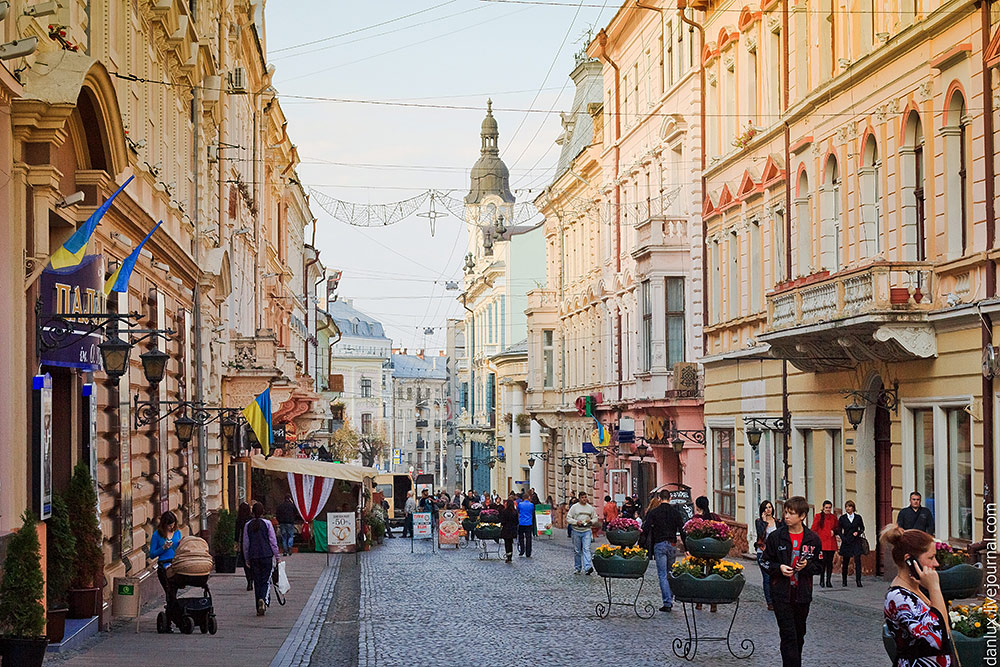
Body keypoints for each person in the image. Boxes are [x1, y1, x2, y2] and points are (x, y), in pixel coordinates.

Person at [762, 496, 824, 667]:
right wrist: (779, 568)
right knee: (788, 634)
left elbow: (820, 566)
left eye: (791, 513)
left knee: (799, 634)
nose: (786, 516)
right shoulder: (776, 537)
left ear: (802, 516)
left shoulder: (812, 539)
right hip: (781, 594)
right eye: (786, 512)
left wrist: (807, 566)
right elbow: (765, 562)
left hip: (802, 594)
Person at [880, 525, 952, 666]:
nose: (936, 563)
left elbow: (946, 629)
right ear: (909, 560)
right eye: (931, 557)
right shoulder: (899, 597)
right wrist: (934, 587)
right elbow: (938, 638)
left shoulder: (918, 589)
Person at [641, 490, 684, 612]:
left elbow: (646, 529)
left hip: (659, 544)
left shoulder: (654, 512)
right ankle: (670, 597)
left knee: (662, 575)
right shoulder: (675, 513)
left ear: (659, 498)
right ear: (670, 498)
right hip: (672, 544)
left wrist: (641, 545)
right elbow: (682, 529)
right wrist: (686, 547)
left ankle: (667, 602)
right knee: (670, 572)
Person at [242, 502, 280, 616]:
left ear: (252, 512)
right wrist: (277, 556)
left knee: (257, 581)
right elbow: (273, 541)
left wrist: (247, 558)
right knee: (265, 580)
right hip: (266, 555)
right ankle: (263, 598)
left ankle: (258, 602)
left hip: (254, 556)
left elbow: (246, 543)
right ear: (263, 512)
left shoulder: (248, 525)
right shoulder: (267, 524)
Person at [149, 511, 182, 605]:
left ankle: (173, 607)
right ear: (164, 524)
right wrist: (163, 548)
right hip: (164, 564)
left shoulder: (177, 532)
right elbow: (152, 554)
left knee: (174, 589)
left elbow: (178, 548)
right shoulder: (157, 535)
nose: (171, 527)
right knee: (168, 589)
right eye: (169, 526)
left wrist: (180, 544)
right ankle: (172, 608)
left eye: (173, 525)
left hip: (175, 563)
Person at [755, 500, 781, 610]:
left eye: (770, 507)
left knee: (776, 577)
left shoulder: (778, 522)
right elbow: (761, 535)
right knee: (767, 577)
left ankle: (776, 599)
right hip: (763, 553)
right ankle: (770, 602)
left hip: (775, 554)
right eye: (765, 508)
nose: (768, 509)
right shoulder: (759, 522)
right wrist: (764, 522)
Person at [567, 492, 598, 574]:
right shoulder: (574, 507)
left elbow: (595, 518)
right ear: (579, 498)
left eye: (585, 497)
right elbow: (568, 518)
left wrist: (590, 521)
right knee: (577, 550)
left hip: (587, 531)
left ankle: (588, 567)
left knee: (586, 549)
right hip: (576, 530)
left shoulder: (590, 508)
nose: (584, 499)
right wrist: (576, 522)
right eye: (583, 497)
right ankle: (578, 567)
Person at [810, 500, 838, 588]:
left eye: (829, 508)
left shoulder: (834, 517)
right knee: (822, 563)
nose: (828, 509)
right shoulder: (818, 516)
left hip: (831, 543)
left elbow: (838, 527)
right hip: (822, 543)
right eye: (826, 508)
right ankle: (822, 580)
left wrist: (834, 531)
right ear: (823, 508)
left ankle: (828, 580)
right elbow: (813, 529)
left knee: (829, 563)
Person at [838, 500, 865, 587]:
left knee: (858, 561)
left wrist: (858, 532)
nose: (847, 508)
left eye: (849, 506)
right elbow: (839, 530)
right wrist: (843, 538)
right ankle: (844, 580)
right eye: (846, 507)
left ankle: (858, 580)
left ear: (853, 508)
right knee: (845, 562)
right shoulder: (842, 518)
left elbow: (862, 528)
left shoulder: (858, 517)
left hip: (855, 541)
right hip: (846, 541)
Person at [234, 502, 254, 590]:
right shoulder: (251, 519)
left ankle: (249, 581)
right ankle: (252, 579)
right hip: (253, 543)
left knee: (246, 562)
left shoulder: (239, 520)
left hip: (243, 543)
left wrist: (236, 543)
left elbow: (237, 534)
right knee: (253, 561)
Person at [500, 498, 518, 563]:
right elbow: (516, 522)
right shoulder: (515, 512)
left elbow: (502, 521)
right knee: (511, 543)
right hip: (512, 529)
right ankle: (510, 556)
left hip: (506, 529)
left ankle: (508, 556)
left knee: (507, 543)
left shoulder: (504, 511)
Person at [517, 493, 534, 558]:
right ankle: (528, 552)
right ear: (528, 497)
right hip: (529, 523)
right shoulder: (531, 505)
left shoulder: (520, 504)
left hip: (521, 523)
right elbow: (532, 512)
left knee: (521, 537)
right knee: (528, 538)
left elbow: (518, 511)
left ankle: (522, 550)